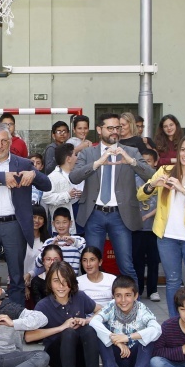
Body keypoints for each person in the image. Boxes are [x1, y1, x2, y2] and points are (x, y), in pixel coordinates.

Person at [0, 124, 52, 306]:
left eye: (3, 141)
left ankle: (15, 321)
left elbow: (47, 185)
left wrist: (33, 174)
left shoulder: (22, 163)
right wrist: (2, 177)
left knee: (16, 276)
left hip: (15, 225)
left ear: (10, 142)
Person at [69, 113, 156, 284]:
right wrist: (97, 163)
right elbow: (74, 177)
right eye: (110, 128)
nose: (115, 131)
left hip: (120, 215)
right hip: (94, 214)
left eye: (118, 128)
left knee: (126, 264)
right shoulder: (88, 153)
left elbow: (151, 175)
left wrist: (131, 161)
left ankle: (134, 307)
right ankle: (90, 305)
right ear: (100, 130)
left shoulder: (131, 151)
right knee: (90, 264)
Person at [138, 134, 185, 315]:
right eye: (183, 150)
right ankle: (174, 324)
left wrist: (184, 190)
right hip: (167, 237)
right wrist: (153, 184)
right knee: (173, 281)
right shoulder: (165, 170)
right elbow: (141, 195)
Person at [25, 262, 102, 367]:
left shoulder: (79, 296)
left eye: (66, 281)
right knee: (68, 332)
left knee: (89, 329)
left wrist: (86, 320)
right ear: (49, 283)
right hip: (57, 359)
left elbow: (102, 311)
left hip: (81, 359)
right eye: (56, 281)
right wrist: (61, 327)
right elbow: (28, 337)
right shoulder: (43, 305)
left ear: (72, 282)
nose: (61, 286)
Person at [90, 276, 161, 367]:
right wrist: (116, 340)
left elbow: (157, 329)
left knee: (149, 337)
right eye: (118, 296)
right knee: (99, 330)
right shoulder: (111, 306)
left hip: (136, 357)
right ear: (113, 296)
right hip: (116, 355)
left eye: (128, 295)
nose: (123, 300)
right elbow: (94, 322)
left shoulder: (142, 309)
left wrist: (127, 338)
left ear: (136, 296)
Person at [133, 149, 161, 301]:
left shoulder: (159, 179)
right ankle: (138, 288)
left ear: (155, 163)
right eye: (142, 161)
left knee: (153, 260)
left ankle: (153, 290)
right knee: (136, 259)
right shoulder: (133, 179)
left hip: (153, 227)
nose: (146, 164)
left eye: (149, 161)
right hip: (137, 227)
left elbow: (163, 204)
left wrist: (148, 215)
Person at [31, 208, 87, 276]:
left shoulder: (78, 240)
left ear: (71, 223)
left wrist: (74, 242)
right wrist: (50, 247)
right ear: (53, 224)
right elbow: (38, 263)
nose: (61, 226)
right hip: (53, 281)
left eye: (64, 222)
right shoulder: (49, 241)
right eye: (58, 222)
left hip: (72, 281)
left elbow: (86, 255)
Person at [42, 142, 83, 233]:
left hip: (79, 219)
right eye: (75, 155)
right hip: (62, 225)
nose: (77, 158)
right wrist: (67, 195)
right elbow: (46, 197)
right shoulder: (53, 177)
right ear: (68, 159)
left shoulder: (78, 174)